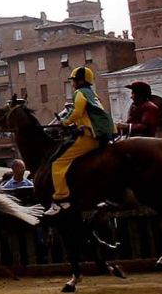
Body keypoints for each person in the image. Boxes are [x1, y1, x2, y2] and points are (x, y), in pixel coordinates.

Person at [44, 66, 116, 217]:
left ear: (81, 81)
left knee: (58, 162)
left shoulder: (79, 93)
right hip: (102, 136)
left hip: (89, 137)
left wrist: (64, 123)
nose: (73, 83)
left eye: (75, 80)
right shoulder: (93, 94)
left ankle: (60, 200)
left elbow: (76, 112)